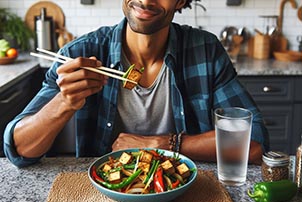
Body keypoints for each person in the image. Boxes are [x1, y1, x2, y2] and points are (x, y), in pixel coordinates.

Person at [4, 0, 269, 168]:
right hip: (102, 192)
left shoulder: (205, 50)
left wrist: (160, 144)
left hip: (182, 189)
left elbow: (254, 140)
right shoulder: (81, 53)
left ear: (181, 1)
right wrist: (64, 103)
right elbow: (19, 150)